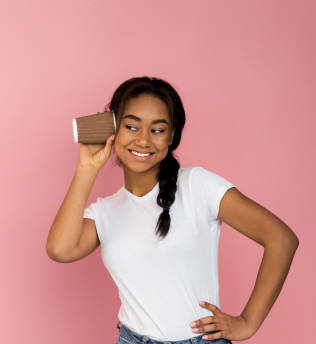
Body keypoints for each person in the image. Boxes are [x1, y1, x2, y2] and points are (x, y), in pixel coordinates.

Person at [46, 77, 298, 343]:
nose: (143, 140)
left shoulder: (196, 186)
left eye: (157, 130)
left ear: (172, 136)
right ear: (113, 128)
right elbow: (60, 249)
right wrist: (87, 168)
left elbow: (281, 239)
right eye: (131, 126)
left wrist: (248, 322)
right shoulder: (105, 212)